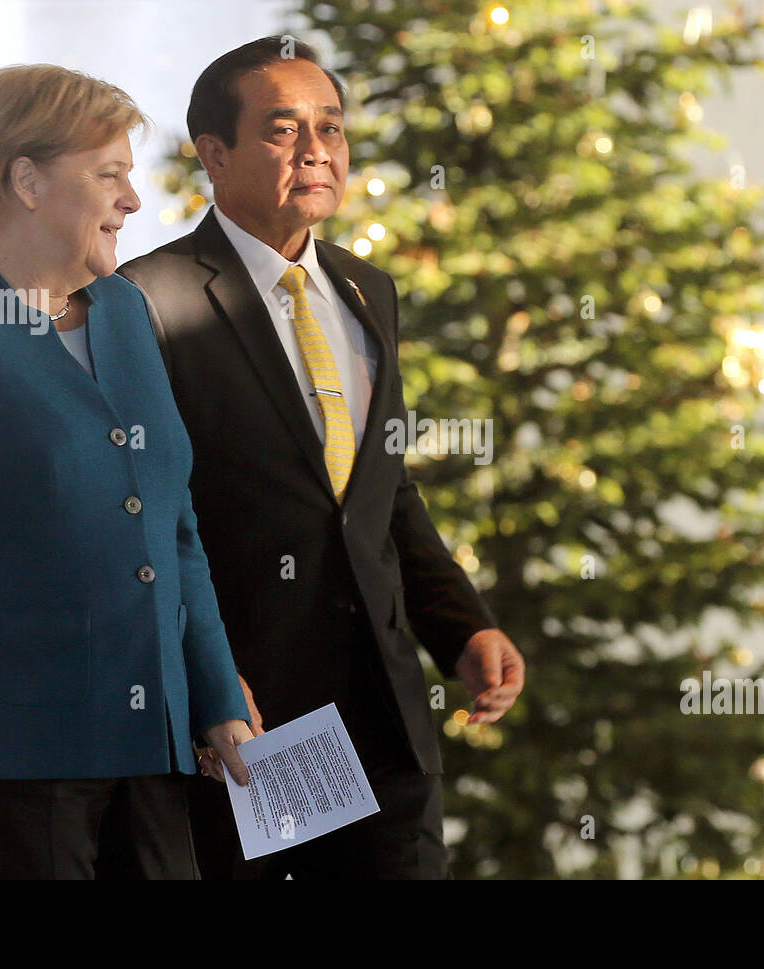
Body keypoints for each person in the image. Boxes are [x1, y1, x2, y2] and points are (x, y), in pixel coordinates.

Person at [118, 36, 526, 879]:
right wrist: (210, 689)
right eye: (283, 130)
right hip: (251, 729)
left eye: (331, 129)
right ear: (214, 154)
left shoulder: (368, 291)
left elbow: (384, 494)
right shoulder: (145, 302)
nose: (317, 152)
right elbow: (147, 527)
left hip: (386, 720)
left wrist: (463, 624)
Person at [0, 64, 253, 880]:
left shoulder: (127, 312)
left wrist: (218, 700)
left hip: (149, 748)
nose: (132, 201)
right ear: (24, 180)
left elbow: (175, 526)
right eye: (109, 176)